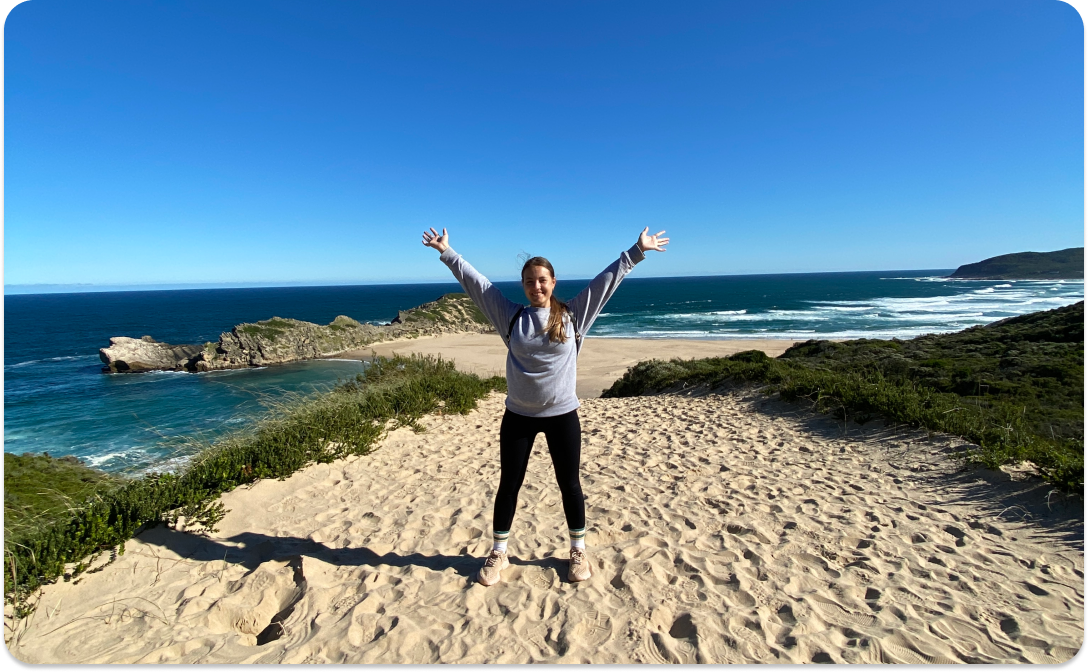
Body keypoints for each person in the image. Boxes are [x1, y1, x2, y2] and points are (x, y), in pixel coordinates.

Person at [421, 226, 669, 586]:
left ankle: (578, 550)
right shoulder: (511, 317)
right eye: (529, 282)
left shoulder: (573, 315)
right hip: (518, 417)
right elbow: (478, 286)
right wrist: (447, 252)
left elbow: (604, 284)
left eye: (542, 280)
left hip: (562, 416)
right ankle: (499, 552)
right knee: (509, 485)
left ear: (553, 282)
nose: (536, 286)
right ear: (523, 286)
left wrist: (636, 251)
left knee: (570, 485)